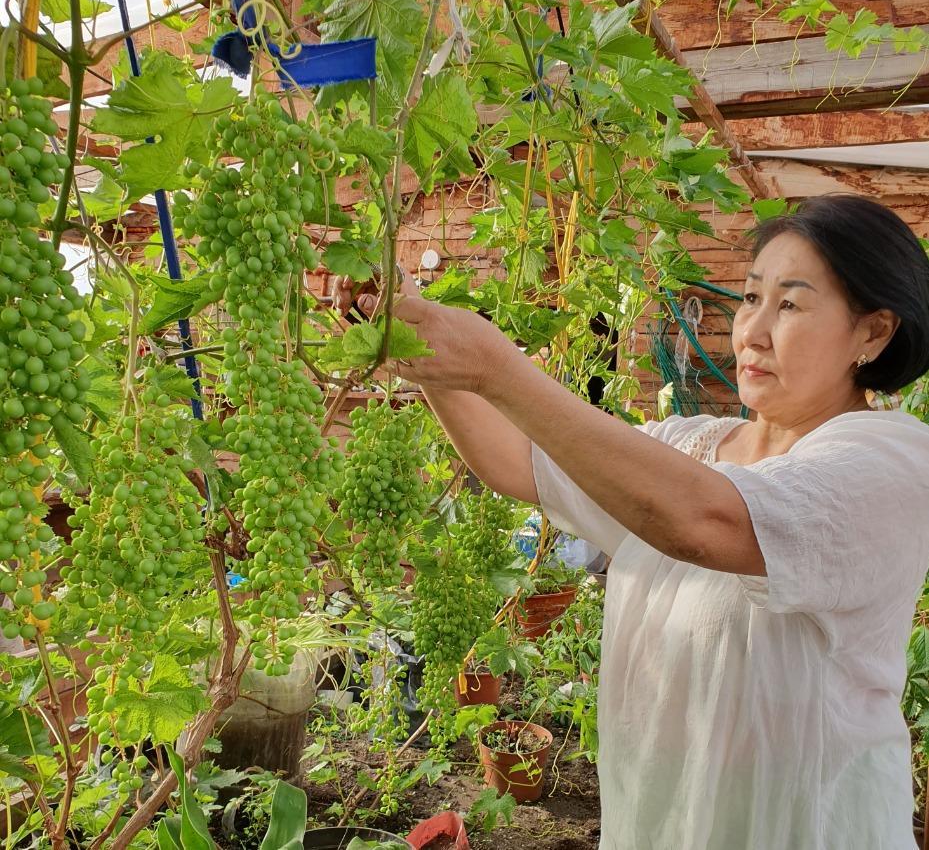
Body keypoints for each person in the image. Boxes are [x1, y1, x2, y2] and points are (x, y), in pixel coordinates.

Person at [333, 194, 929, 850]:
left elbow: (706, 523)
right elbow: (520, 462)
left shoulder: (889, 460)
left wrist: (499, 369)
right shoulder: (686, 445)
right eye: (752, 297)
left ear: (872, 333)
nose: (752, 330)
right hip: (663, 824)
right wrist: (427, 356)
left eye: (788, 305)